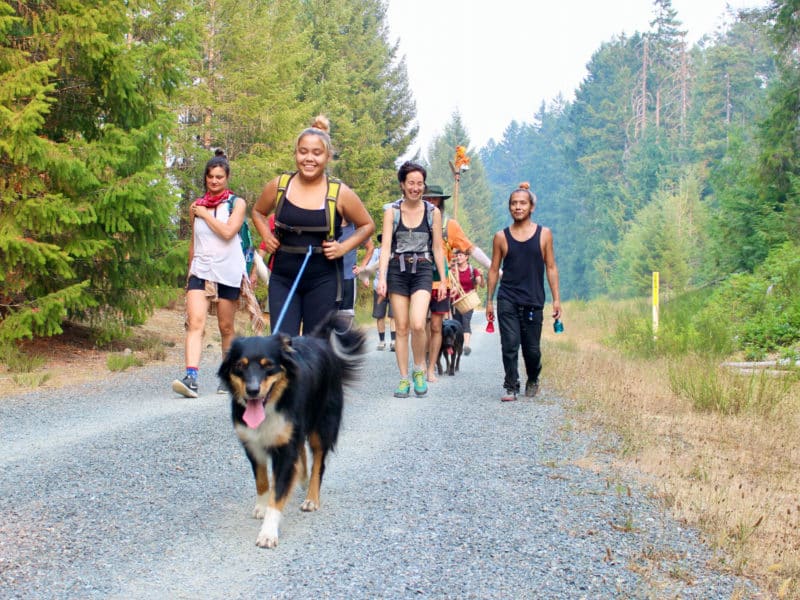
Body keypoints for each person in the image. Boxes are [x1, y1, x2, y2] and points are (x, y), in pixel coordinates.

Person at [251, 115, 374, 336]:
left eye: (317, 153)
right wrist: (266, 235)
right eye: (303, 151)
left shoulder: (339, 192)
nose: (309, 158)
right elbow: (258, 212)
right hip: (283, 279)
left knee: (314, 348)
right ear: (295, 153)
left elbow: (367, 225)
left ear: (327, 157)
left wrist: (343, 248)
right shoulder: (279, 186)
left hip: (323, 280)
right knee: (282, 344)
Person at [172, 150, 248, 398]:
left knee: (226, 327)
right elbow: (195, 241)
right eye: (210, 177)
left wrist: (205, 214)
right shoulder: (196, 206)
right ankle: (191, 377)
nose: (214, 181)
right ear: (205, 178)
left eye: (219, 177)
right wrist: (189, 271)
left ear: (227, 178)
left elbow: (228, 233)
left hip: (228, 270)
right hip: (202, 270)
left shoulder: (237, 203)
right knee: (195, 323)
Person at [485, 182, 562, 402]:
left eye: (522, 203)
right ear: (509, 207)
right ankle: (511, 385)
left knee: (532, 350)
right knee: (509, 344)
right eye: (514, 203)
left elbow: (551, 267)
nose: (518, 207)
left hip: (534, 299)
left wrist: (556, 299)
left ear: (531, 207)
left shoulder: (544, 234)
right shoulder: (501, 237)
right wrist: (489, 301)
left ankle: (533, 378)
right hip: (507, 297)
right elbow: (493, 269)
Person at [377, 162, 447, 398]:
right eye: (411, 183)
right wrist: (382, 278)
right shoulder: (392, 212)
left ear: (423, 185)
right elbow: (385, 247)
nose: (415, 188)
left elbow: (437, 248)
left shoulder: (432, 213)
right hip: (397, 269)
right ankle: (404, 378)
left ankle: (419, 369)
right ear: (402, 185)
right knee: (402, 326)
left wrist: (444, 280)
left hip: (423, 269)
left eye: (419, 183)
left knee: (418, 323)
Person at [422, 184, 492, 382]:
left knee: (436, 326)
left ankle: (431, 365)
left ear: (441, 203)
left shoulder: (449, 226)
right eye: (427, 199)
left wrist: (493, 267)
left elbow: (469, 248)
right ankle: (423, 360)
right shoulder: (413, 221)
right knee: (418, 326)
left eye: (435, 200)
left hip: (439, 284)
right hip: (416, 280)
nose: (431, 203)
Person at [355, 233, 396, 350]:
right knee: (379, 315)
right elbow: (370, 267)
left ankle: (393, 341)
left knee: (394, 315)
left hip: (394, 286)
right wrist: (366, 277)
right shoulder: (377, 252)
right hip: (378, 286)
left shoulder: (395, 252)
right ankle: (382, 341)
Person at [450, 248, 484, 355]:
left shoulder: (472, 270)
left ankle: (467, 346)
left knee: (466, 322)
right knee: (456, 324)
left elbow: (481, 285)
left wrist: (481, 277)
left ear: (466, 257)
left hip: (468, 300)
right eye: (458, 255)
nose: (459, 257)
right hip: (455, 302)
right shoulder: (453, 270)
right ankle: (458, 345)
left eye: (461, 255)